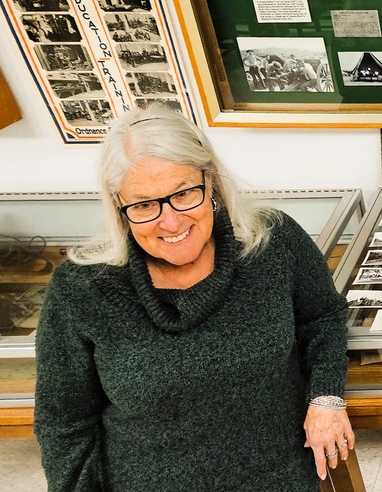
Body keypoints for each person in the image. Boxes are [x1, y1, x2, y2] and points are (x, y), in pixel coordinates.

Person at [33, 104, 354, 491]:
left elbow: (323, 318)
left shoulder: (272, 241)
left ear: (212, 183)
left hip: (279, 476)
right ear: (119, 208)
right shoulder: (81, 289)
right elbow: (64, 423)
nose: (171, 222)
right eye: (145, 205)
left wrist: (326, 397)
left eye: (184, 193)